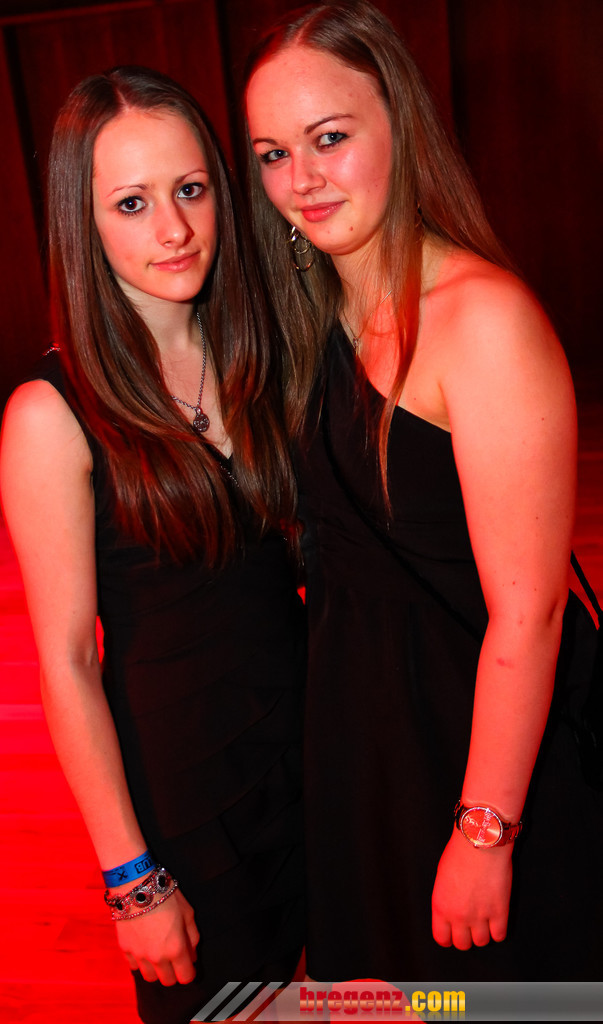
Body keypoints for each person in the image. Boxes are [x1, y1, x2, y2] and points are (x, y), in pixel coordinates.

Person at [244, 0, 603, 982]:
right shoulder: (310, 313)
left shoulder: (481, 320)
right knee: (397, 998)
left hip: (476, 744)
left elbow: (528, 613)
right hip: (366, 739)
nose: (300, 178)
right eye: (272, 154)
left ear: (399, 124)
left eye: (328, 138)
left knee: (498, 1000)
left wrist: (484, 830)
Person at [0, 66, 305, 1023]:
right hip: (187, 802)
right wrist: (132, 881)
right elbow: (65, 663)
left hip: (310, 749)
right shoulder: (50, 415)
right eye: (132, 203)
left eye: (190, 189)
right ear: (82, 222)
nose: (173, 229)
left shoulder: (255, 352)